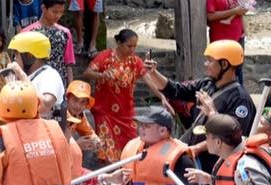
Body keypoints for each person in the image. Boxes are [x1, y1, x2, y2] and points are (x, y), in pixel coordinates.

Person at [144, 39, 254, 174]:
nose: (206, 64)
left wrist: (212, 115)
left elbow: (232, 139)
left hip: (211, 167)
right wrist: (153, 73)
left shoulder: (240, 100)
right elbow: (175, 90)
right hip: (189, 155)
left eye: (210, 60)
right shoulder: (207, 84)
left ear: (224, 64)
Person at [83, 28, 172, 162]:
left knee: (131, 147)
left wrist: (162, 97)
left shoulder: (135, 62)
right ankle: (107, 178)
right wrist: (101, 75)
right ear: (119, 43)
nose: (132, 50)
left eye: (134, 46)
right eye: (129, 46)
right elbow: (87, 73)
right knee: (107, 149)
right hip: (104, 111)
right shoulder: (105, 57)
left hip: (126, 112)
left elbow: (148, 80)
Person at [21, 0, 75, 86]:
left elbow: (68, 64)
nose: (58, 16)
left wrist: (71, 88)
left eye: (61, 12)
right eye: (54, 12)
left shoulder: (65, 33)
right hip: (34, 86)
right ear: (43, 8)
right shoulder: (27, 34)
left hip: (59, 86)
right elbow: (21, 65)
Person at [6, 31, 63, 120]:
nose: (14, 59)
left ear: (29, 56)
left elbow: (45, 106)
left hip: (46, 132)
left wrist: (21, 74)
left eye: (17, 54)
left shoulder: (50, 75)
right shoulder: (27, 77)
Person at [206, 0, 247, 84]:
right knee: (222, 74)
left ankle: (239, 99)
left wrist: (244, 28)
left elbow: (241, 10)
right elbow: (210, 16)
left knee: (238, 71)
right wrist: (233, 11)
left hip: (237, 37)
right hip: (221, 41)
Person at [64, 80, 101, 152]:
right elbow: (56, 147)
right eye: (75, 100)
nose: (78, 106)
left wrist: (96, 141)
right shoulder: (59, 115)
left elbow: (89, 132)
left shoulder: (79, 115)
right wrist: (76, 145)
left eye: (83, 102)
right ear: (67, 98)